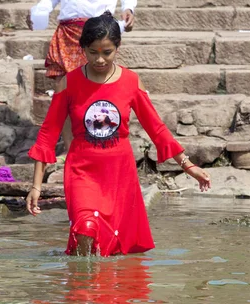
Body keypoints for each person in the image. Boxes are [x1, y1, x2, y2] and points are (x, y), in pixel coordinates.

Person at [25, 12, 212, 257]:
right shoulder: (68, 83)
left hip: (119, 174)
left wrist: (187, 166)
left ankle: (105, 291)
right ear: (83, 49)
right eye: (93, 52)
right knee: (85, 227)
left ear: (117, 48)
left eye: (107, 52)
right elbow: (48, 135)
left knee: (114, 246)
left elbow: (156, 128)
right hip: (82, 171)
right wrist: (36, 187)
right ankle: (83, 287)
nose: (100, 59)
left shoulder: (131, 82)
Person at [28, 0, 137, 153]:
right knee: (63, 95)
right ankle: (70, 149)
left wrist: (129, 8)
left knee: (96, 92)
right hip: (67, 33)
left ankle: (98, 144)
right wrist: (38, 11)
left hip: (99, 32)